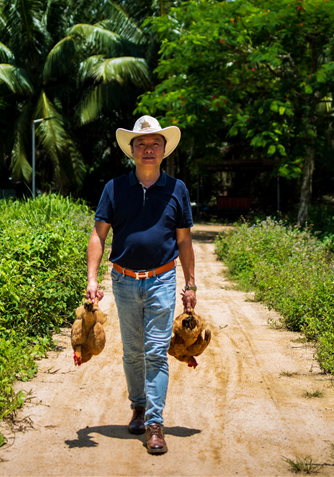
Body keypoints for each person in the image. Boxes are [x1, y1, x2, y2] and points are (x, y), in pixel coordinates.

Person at [86, 115, 196, 455]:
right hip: (124, 281)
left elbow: (184, 241)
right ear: (132, 150)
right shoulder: (114, 188)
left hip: (162, 279)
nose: (149, 149)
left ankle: (154, 423)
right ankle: (138, 405)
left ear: (164, 150)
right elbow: (98, 235)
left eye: (155, 143)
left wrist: (191, 284)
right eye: (142, 144)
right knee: (133, 351)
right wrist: (92, 278)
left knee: (156, 351)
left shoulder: (177, 189)